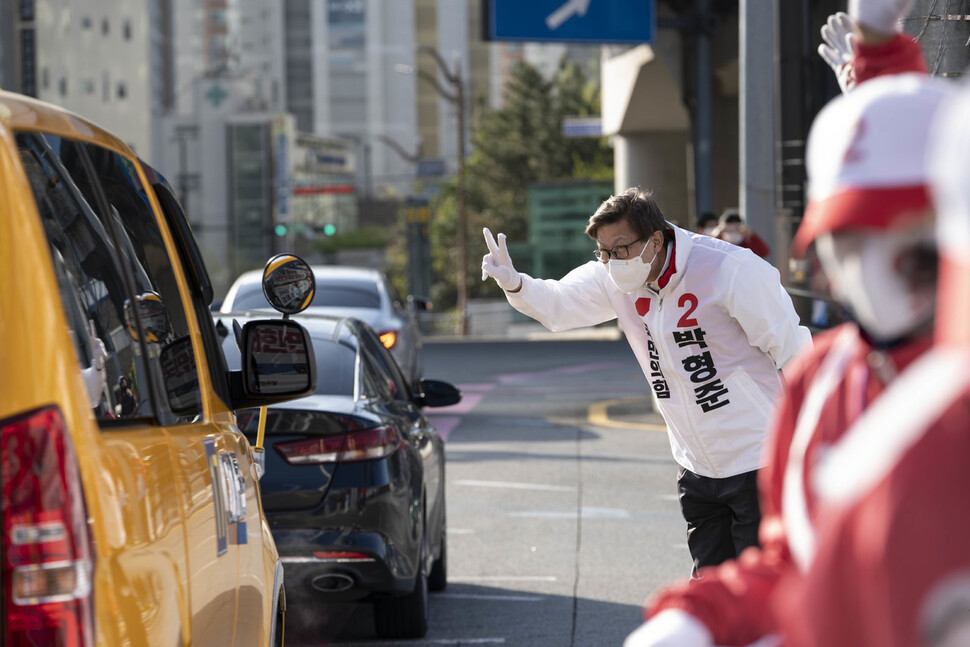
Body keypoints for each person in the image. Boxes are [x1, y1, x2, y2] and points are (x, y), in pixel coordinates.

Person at [624, 3, 947, 642]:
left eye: (910, 245)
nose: (869, 265)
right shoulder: (822, 382)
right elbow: (801, 562)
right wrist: (699, 618)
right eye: (846, 242)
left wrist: (884, 78)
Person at [482, 188, 811, 575]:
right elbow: (558, 304)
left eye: (619, 249)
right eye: (601, 252)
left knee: (766, 591)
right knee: (710, 594)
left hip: (759, 459)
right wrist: (515, 284)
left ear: (655, 241)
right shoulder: (615, 278)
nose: (609, 261)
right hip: (696, 467)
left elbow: (794, 353)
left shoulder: (729, 269)